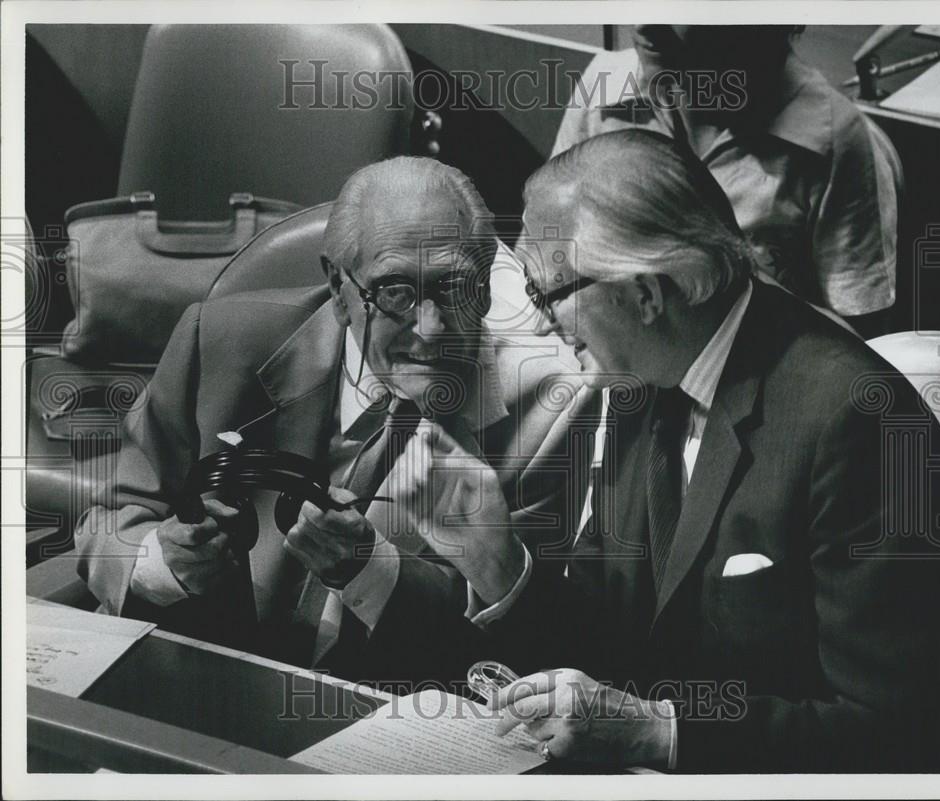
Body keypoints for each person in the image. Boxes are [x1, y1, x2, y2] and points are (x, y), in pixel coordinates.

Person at [391, 130, 940, 772]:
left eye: (546, 293)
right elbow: (607, 637)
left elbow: (901, 730)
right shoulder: (637, 377)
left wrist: (660, 732)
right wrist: (499, 564)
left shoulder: (861, 422)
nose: (537, 322)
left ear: (644, 294)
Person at [74, 156, 588, 681]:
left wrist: (376, 572)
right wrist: (160, 564)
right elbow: (109, 520)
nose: (430, 330)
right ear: (340, 290)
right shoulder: (219, 340)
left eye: (455, 289)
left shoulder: (546, 410)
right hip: (192, 678)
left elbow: (513, 641)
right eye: (395, 292)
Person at [551, 25, 899, 338]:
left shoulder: (835, 143)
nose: (644, 22)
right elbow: (547, 251)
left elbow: (862, 345)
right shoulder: (606, 84)